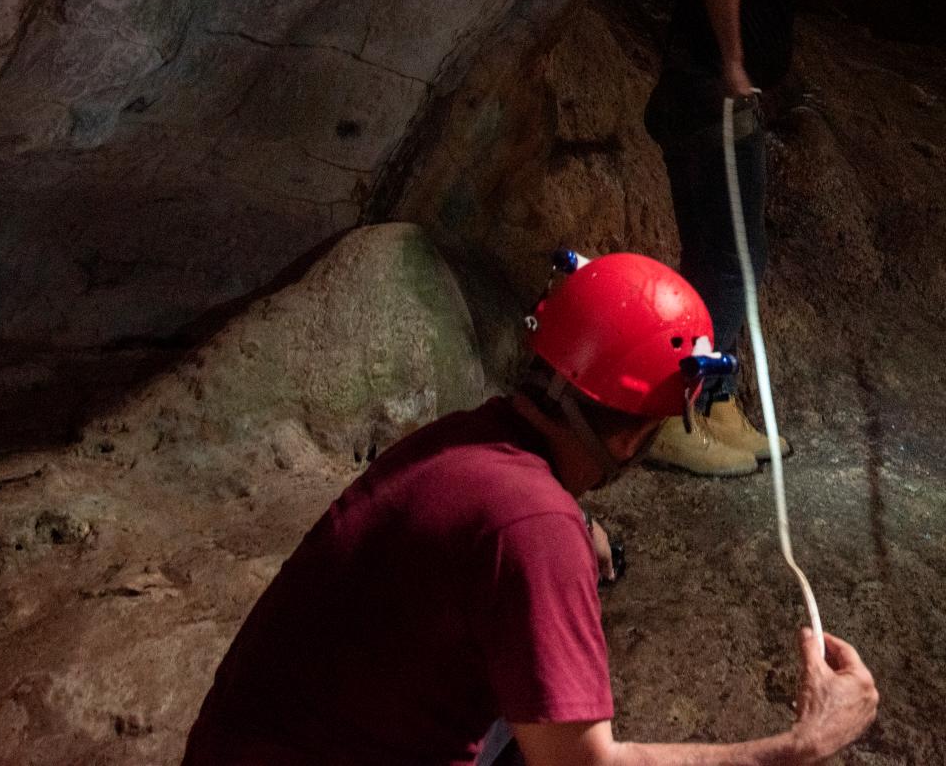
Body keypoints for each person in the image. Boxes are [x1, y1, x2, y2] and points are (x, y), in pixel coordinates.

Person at [182, 252, 879, 766]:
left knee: (533, 697)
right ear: (637, 433)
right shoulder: (532, 528)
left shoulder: (466, 441)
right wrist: (797, 745)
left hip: (243, 743)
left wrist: (572, 524)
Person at [641, 0, 870, 476]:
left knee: (713, 255)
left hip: (695, 95)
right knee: (736, 260)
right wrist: (736, 63)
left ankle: (713, 406)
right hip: (710, 96)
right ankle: (677, 410)